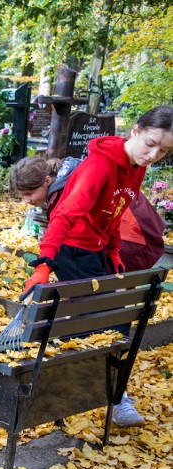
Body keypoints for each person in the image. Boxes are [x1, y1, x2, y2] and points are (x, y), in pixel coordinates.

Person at [21, 105, 173, 428]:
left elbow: (114, 211)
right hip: (69, 248)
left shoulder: (136, 166)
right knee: (103, 322)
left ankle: (104, 393)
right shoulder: (101, 166)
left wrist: (114, 251)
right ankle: (103, 395)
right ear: (135, 131)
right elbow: (64, 214)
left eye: (164, 150)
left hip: (96, 250)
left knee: (110, 320)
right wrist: (44, 264)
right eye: (151, 143)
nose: (154, 154)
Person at [10, 155, 166, 272]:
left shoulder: (65, 195)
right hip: (143, 230)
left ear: (47, 180)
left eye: (29, 193)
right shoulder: (73, 175)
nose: (26, 201)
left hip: (130, 238)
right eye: (23, 195)